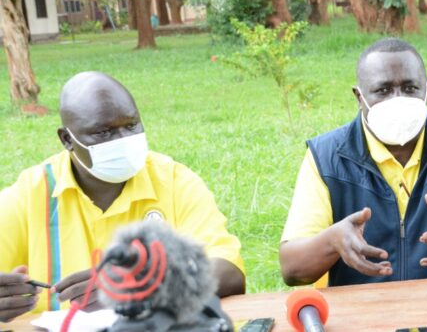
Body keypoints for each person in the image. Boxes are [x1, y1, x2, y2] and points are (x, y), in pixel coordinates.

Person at [0, 72, 245, 322]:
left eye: (131, 125)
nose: (124, 141)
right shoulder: (29, 194)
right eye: (104, 133)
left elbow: (229, 271)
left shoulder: (173, 180)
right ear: (67, 140)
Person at [279, 38, 427, 287]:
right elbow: (292, 269)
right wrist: (332, 241)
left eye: (410, 88)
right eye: (383, 91)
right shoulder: (326, 156)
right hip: (362, 318)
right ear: (359, 96)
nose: (398, 100)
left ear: (426, 90)